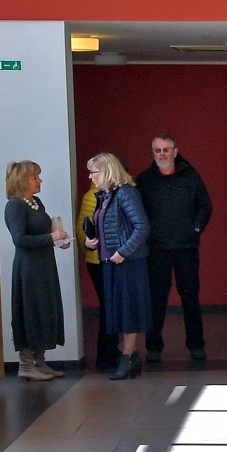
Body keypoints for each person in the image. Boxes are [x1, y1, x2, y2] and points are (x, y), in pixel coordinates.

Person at [135, 134, 212, 363]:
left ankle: (196, 346)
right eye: (157, 150)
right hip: (156, 249)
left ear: (175, 151)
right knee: (156, 299)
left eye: (166, 150)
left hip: (186, 247)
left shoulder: (191, 175)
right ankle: (153, 347)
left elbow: (205, 205)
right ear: (153, 152)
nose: (162, 154)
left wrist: (195, 228)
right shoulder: (145, 179)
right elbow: (137, 211)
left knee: (190, 297)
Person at [85, 154, 152, 381]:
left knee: (128, 311)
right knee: (120, 312)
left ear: (107, 171)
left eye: (94, 172)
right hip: (111, 261)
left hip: (128, 262)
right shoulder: (105, 195)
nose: (90, 177)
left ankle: (127, 358)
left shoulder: (126, 193)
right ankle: (131, 358)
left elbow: (142, 226)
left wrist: (123, 251)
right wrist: (92, 242)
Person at [4, 160, 68, 381]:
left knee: (44, 309)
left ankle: (40, 362)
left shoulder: (35, 202)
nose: (40, 181)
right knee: (30, 311)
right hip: (29, 268)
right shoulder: (14, 206)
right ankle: (26, 364)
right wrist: (51, 237)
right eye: (35, 177)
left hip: (44, 265)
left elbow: (41, 232)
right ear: (22, 181)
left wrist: (58, 240)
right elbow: (19, 239)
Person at [76, 185, 119, 370]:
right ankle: (107, 354)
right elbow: (83, 230)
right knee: (109, 307)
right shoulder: (93, 195)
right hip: (100, 260)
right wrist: (87, 249)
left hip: (103, 259)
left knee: (110, 307)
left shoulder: (114, 194)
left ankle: (109, 352)